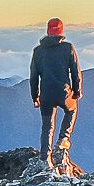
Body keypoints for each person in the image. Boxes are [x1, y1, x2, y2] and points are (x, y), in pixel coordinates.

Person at [29, 18, 81, 173]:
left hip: (46, 94)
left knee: (47, 126)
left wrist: (35, 97)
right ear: (61, 31)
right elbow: (75, 71)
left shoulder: (38, 51)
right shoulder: (67, 48)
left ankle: (45, 158)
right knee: (71, 110)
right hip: (64, 93)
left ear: (47, 31)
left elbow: (33, 77)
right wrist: (77, 91)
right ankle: (63, 140)